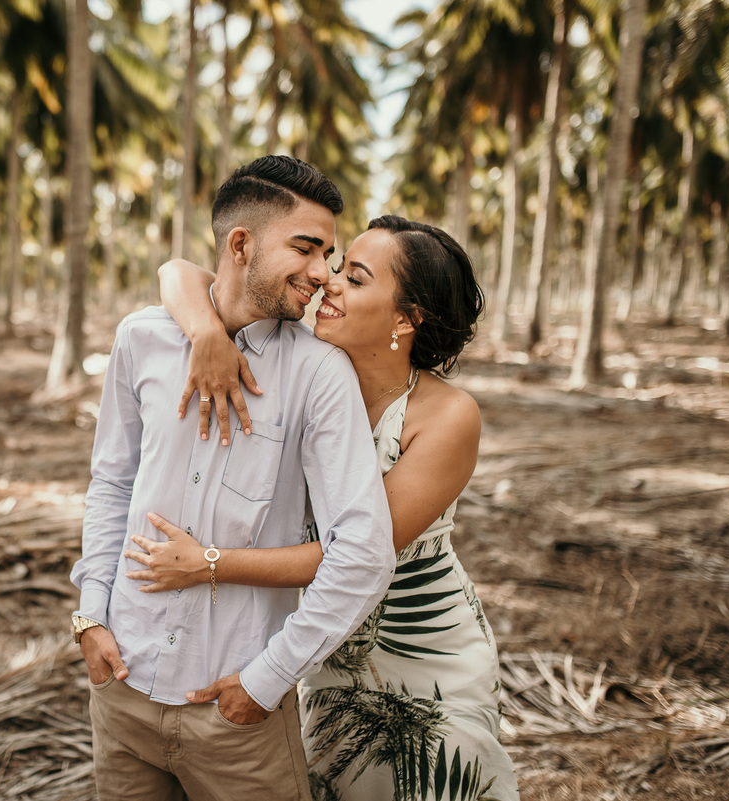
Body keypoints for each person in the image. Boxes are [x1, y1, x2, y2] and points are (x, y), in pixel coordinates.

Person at [127, 215, 520, 801]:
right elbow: (177, 272)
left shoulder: (447, 416)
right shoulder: (305, 374)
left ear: (406, 319)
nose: (329, 283)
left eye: (356, 278)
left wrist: (208, 563)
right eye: (337, 268)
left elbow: (356, 552)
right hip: (325, 642)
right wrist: (207, 333)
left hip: (424, 652)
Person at [69, 156, 395, 801]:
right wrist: (91, 615)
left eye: (329, 254)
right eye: (305, 248)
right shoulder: (141, 338)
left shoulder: (318, 373)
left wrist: (266, 681)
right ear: (240, 245)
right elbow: (112, 483)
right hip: (122, 687)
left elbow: (361, 552)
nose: (322, 273)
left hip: (235, 713)